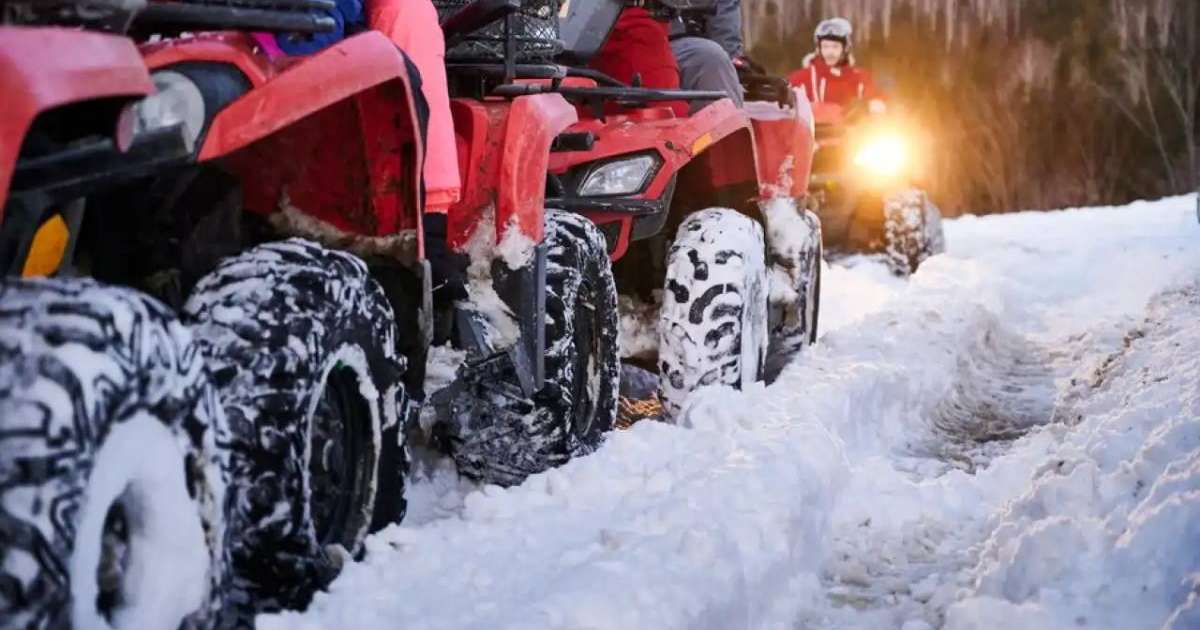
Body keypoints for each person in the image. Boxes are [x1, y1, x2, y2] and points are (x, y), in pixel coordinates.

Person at [788, 17, 885, 114]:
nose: (830, 52)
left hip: (851, 128)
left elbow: (873, 94)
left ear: (845, 49)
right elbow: (784, 98)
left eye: (835, 47)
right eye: (825, 46)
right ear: (819, 49)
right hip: (811, 128)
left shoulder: (859, 78)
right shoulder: (801, 78)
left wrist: (876, 103)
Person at [668, 0, 746, 111]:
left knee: (713, 61)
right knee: (710, 60)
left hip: (681, 41)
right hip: (648, 36)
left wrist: (731, 55)